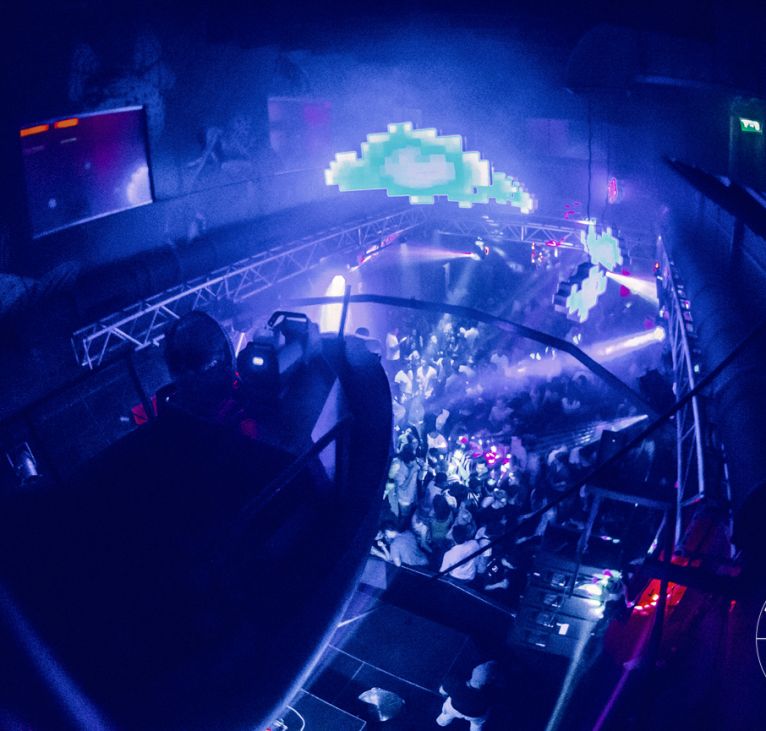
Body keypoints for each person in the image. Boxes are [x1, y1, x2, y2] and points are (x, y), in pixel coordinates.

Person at [436, 662, 495, 730]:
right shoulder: (489, 696)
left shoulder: (455, 683)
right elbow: (490, 706)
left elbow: (442, 690)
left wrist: (443, 692)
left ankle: (442, 722)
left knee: (447, 713)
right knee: (477, 724)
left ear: (473, 671)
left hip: (453, 707)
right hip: (475, 715)